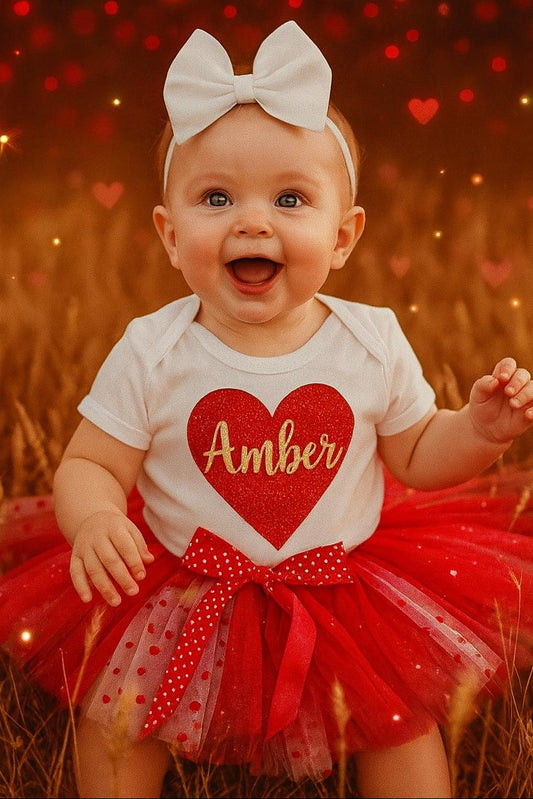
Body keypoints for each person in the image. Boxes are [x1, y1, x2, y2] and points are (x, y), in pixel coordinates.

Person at [1, 20, 533, 799]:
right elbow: (89, 460)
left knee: (399, 716)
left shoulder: (369, 339)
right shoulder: (153, 349)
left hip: (341, 585)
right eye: (216, 197)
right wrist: (93, 518)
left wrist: (475, 431)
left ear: (343, 235)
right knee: (119, 715)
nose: (253, 221)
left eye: (290, 198)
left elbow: (415, 453)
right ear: (169, 234)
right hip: (184, 582)